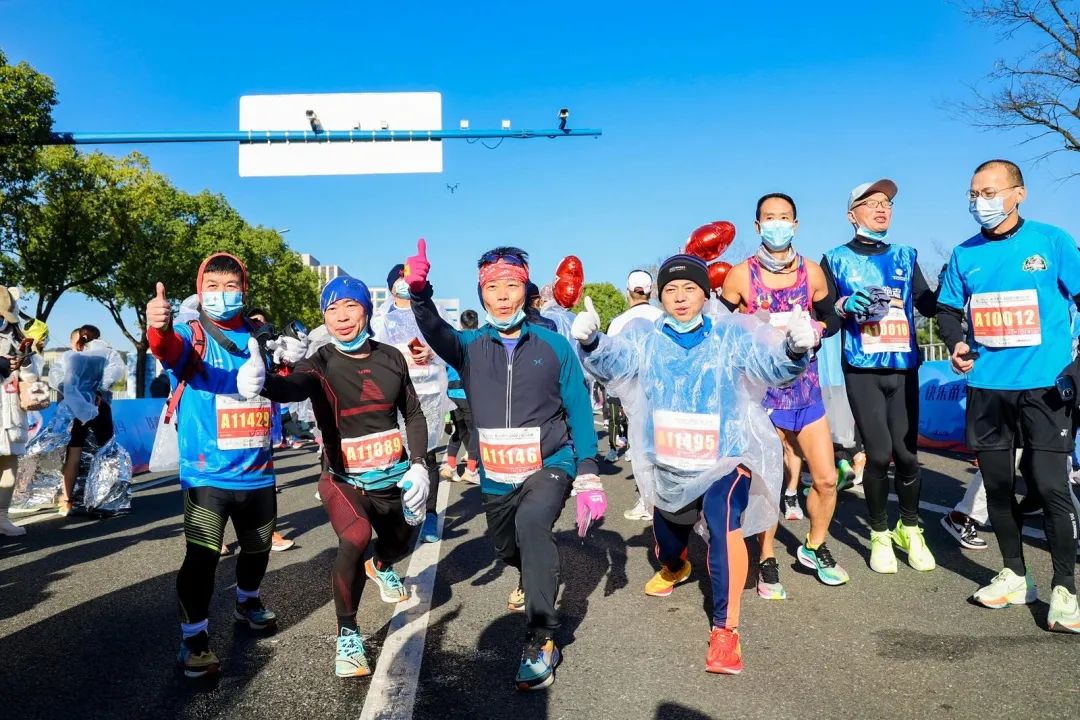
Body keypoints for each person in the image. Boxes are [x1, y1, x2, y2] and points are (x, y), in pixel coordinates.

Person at [573, 253, 818, 674]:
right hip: (671, 465)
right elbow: (615, 364)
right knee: (669, 543)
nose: (681, 296)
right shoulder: (646, 338)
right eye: (670, 289)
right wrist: (593, 343)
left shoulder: (730, 336)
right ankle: (676, 564)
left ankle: (726, 629)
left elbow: (772, 367)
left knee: (724, 522)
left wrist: (794, 349)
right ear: (660, 297)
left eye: (690, 288)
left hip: (726, 458)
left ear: (706, 294)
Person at [405, 240, 598, 690]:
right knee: (507, 547)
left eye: (512, 285)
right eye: (493, 288)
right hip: (496, 473)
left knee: (533, 525)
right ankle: (533, 570)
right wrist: (418, 293)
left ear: (526, 290)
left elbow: (579, 407)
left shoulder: (554, 345)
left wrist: (588, 469)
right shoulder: (468, 346)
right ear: (482, 295)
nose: (503, 295)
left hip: (550, 461)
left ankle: (541, 638)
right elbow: (434, 329)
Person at [237, 275, 430, 676]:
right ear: (324, 317)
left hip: (392, 476)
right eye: (332, 309)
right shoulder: (320, 361)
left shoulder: (391, 358)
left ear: (367, 312)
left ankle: (381, 565)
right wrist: (263, 382)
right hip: (344, 479)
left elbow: (412, 413)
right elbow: (293, 387)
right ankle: (348, 635)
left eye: (351, 306)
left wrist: (418, 464)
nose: (341, 317)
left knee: (399, 542)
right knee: (355, 538)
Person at [937, 159, 1080, 632]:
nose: (981, 201)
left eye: (990, 192)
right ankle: (1016, 575)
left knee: (1052, 487)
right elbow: (948, 309)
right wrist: (956, 342)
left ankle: (1065, 590)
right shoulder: (964, 254)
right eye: (974, 193)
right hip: (988, 388)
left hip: (1045, 387)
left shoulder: (1052, 241)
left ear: (1019, 193)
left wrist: (1077, 366)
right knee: (997, 488)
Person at [147, 252, 279, 678]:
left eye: (231, 287)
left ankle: (247, 601)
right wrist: (158, 327)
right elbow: (167, 348)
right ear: (200, 292)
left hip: (258, 472)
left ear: (244, 290)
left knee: (258, 549)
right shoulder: (193, 334)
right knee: (202, 557)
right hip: (207, 474)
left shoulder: (260, 336)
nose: (222, 295)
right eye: (213, 288)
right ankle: (194, 639)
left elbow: (283, 382)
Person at [720, 193, 848, 591]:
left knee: (826, 479)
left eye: (785, 217)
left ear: (795, 224)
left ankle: (814, 545)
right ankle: (767, 556)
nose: (778, 224)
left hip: (806, 392)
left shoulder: (812, 272)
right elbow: (720, 331)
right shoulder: (741, 275)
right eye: (770, 218)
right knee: (768, 483)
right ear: (758, 226)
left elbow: (831, 316)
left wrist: (818, 328)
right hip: (762, 396)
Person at [819, 179, 937, 575]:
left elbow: (927, 304)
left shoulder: (905, 254)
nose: (881, 208)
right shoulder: (834, 259)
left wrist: (956, 284)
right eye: (871, 203)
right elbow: (827, 317)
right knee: (880, 453)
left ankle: (910, 528)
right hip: (862, 369)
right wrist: (842, 304)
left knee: (907, 455)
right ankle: (880, 532)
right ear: (852, 215)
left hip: (903, 367)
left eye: (886, 203)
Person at [372, 262, 449, 544]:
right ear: (390, 286)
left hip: (428, 393)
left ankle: (429, 515)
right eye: (399, 279)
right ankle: (399, 513)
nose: (404, 283)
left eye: (408, 278)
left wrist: (431, 353)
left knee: (426, 456)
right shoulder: (381, 317)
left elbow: (448, 345)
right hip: (394, 395)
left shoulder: (431, 310)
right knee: (395, 456)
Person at [606, 270, 664, 520]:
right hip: (665, 393)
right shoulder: (664, 317)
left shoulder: (618, 322)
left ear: (627, 291)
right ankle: (667, 500)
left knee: (641, 449)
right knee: (664, 448)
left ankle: (648, 502)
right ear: (651, 292)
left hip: (635, 396)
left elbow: (610, 366)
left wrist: (617, 397)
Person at [53, 325, 124, 516]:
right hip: (99, 407)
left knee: (74, 454)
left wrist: (75, 397)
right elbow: (114, 374)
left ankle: (67, 501)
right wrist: (98, 391)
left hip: (75, 409)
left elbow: (59, 382)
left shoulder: (69, 357)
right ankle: (104, 500)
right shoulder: (104, 357)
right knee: (105, 454)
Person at [0, 286, 49, 536]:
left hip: (10, 412)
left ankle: (2, 517)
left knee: (9, 469)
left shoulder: (16, 336)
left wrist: (26, 362)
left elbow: (30, 377)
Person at [441, 309, 480, 484]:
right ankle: (471, 470)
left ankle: (450, 467)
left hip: (451, 393)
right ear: (477, 324)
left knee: (458, 430)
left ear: (461, 324)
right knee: (474, 432)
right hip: (468, 393)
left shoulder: (453, 341)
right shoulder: (479, 341)